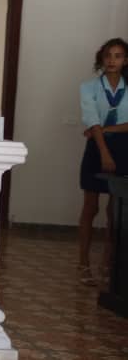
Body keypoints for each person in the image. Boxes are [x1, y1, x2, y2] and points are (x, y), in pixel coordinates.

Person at [78, 37, 128, 286]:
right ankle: (83, 263)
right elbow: (92, 119)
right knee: (91, 206)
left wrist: (104, 129)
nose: (112, 60)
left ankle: (108, 263)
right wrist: (104, 150)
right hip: (97, 149)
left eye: (118, 56)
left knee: (114, 210)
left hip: (123, 148)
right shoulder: (88, 87)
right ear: (102, 58)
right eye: (108, 55)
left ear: (125, 60)